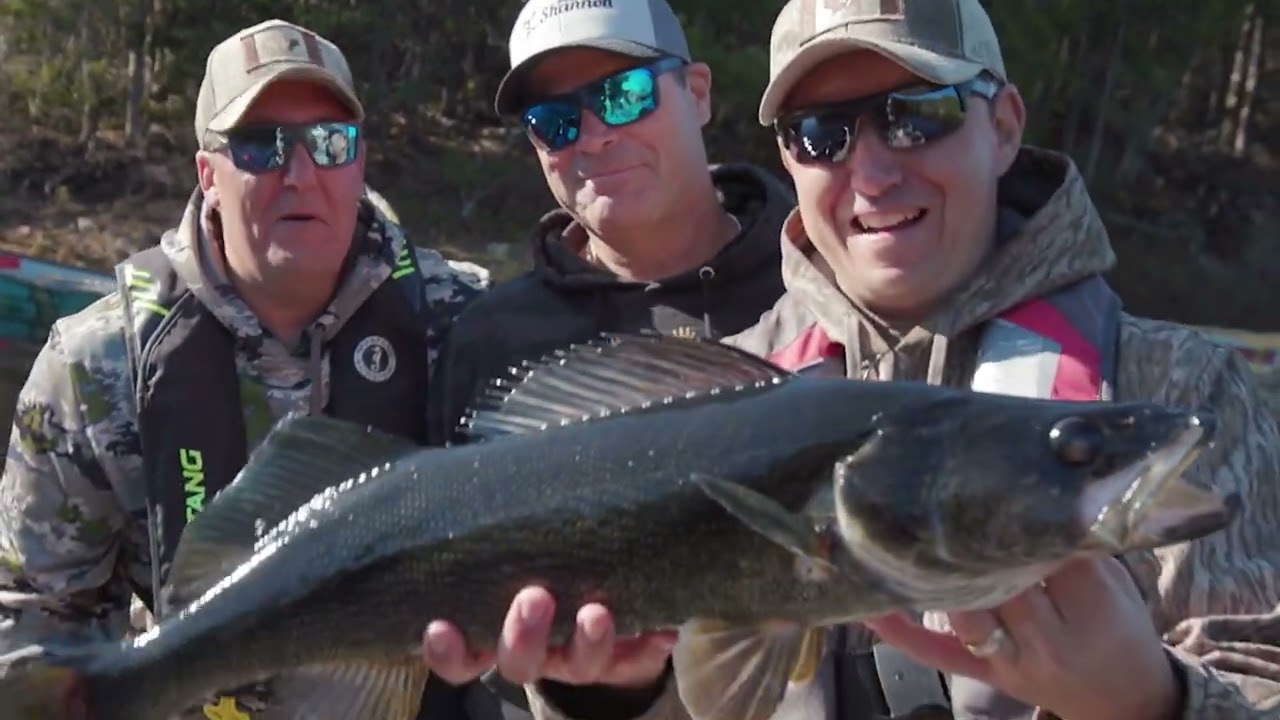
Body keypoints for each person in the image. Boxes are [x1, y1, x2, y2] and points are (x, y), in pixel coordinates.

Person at [421, 1, 1280, 719]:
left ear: (1005, 125)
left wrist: (1157, 701)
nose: (871, 172)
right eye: (821, 133)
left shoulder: (1182, 389)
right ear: (788, 159)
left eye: (918, 114)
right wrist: (612, 695)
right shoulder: (722, 390)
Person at [0, 18, 488, 719]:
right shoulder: (95, 364)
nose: (301, 174)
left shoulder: (462, 323)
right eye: (262, 147)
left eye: (329, 143)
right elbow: (37, 616)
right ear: (209, 173)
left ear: (359, 160)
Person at [426, 0, 795, 442]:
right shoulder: (490, 340)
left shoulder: (822, 286)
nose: (594, 137)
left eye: (624, 95)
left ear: (696, 95)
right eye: (553, 121)